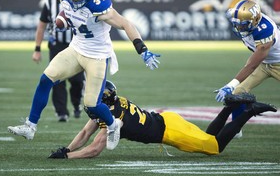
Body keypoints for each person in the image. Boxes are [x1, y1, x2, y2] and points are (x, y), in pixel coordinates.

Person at [7, 0, 160, 150]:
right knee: (45, 80)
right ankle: (30, 126)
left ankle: (113, 125)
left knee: (92, 105)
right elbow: (67, 12)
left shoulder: (98, 5)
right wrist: (61, 22)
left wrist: (142, 49)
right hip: (76, 49)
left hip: (97, 56)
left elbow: (126, 24)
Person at [48, 80, 277, 159]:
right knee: (207, 138)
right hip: (167, 120)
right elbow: (86, 133)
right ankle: (228, 108)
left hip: (170, 132)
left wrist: (67, 157)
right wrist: (67, 149)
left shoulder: (114, 116)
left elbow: (94, 150)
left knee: (215, 147)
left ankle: (249, 112)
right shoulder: (113, 105)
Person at [215, 0, 280, 138]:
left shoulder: (265, 32)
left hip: (275, 63)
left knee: (234, 87)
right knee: (238, 93)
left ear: (255, 20)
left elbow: (251, 65)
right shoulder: (241, 16)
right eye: (237, 24)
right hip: (265, 63)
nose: (239, 28)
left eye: (243, 25)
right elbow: (232, 13)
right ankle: (236, 129)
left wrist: (229, 85)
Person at [32, 0, 85, 122]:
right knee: (56, 79)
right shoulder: (50, 3)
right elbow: (41, 26)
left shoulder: (80, 1)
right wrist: (37, 49)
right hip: (57, 45)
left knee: (77, 80)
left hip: (76, 43)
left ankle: (76, 104)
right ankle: (62, 112)